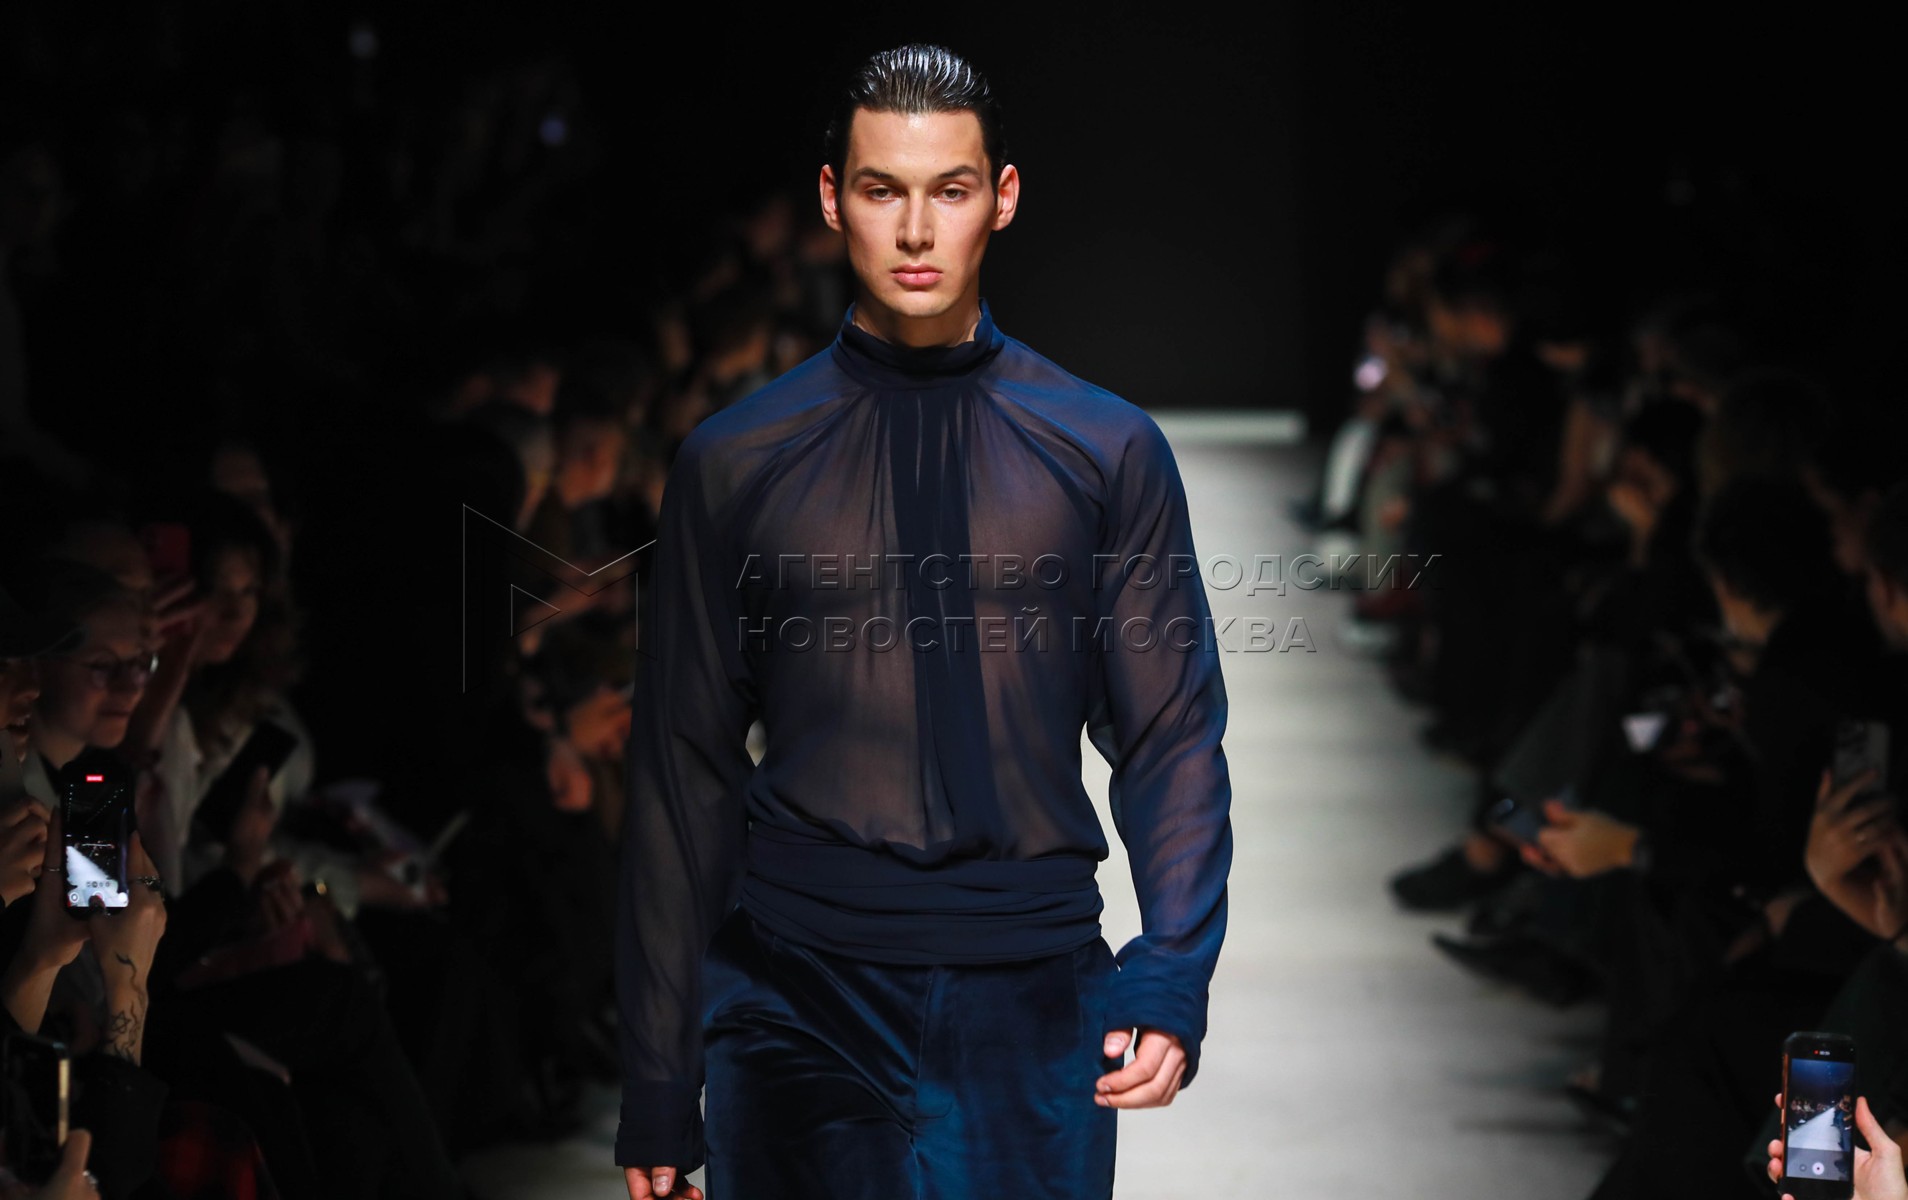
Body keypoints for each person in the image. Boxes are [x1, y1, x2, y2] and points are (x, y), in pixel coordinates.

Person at [614, 44, 1233, 1200]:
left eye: (949, 190)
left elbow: (1171, 733)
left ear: (1002, 197)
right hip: (794, 990)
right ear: (830, 199)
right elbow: (680, 772)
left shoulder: (1105, 451)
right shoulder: (734, 462)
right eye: (880, 189)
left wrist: (1171, 973)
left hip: (1033, 995)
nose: (914, 230)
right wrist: (657, 1073)